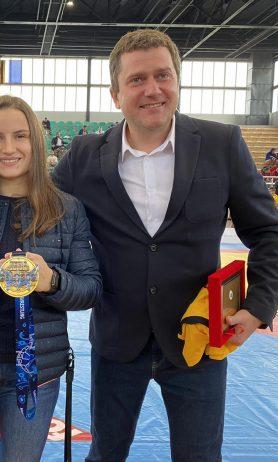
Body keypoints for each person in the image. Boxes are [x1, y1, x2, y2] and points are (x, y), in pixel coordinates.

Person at [53, 29, 278, 462]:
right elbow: (38, 214)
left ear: (177, 81)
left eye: (163, 75)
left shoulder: (222, 144)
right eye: (137, 79)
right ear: (116, 94)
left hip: (201, 338)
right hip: (117, 342)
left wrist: (258, 305)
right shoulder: (82, 155)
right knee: (105, 455)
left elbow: (269, 232)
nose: (152, 89)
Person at [0, 95, 102, 462]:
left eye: (20, 136)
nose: (8, 148)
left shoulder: (66, 209)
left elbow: (91, 287)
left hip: (36, 374)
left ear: (35, 142)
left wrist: (52, 281)